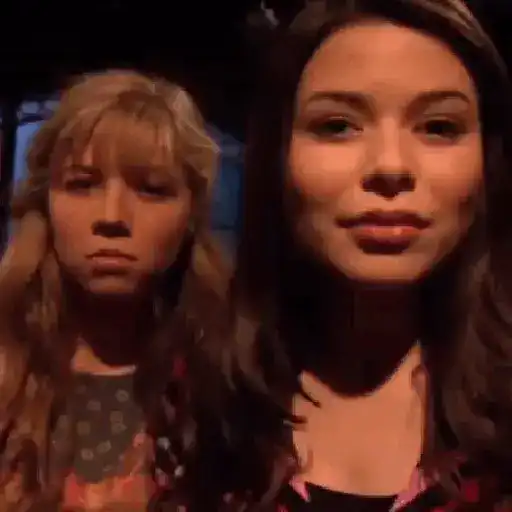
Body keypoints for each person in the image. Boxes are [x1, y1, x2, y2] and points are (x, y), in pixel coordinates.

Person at [164, 0, 512, 510]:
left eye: (438, 126)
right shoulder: (203, 396)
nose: (390, 167)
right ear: (278, 156)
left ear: (488, 164)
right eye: (337, 125)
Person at [0, 70, 229, 510]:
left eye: (152, 190)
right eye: (82, 184)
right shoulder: (7, 368)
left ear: (191, 215)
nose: (112, 217)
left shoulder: (231, 387)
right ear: (45, 203)